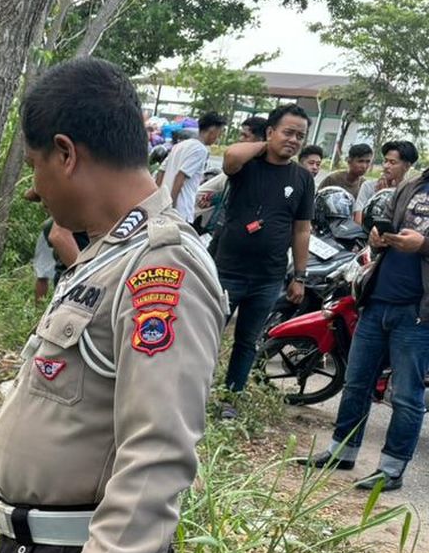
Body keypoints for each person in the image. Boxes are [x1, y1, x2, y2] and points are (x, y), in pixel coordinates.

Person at [0, 57, 224, 553]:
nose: (33, 187)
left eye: (34, 166)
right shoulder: (106, 257)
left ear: (67, 152)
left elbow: (158, 451)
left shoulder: (161, 268)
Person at [299, 164, 429, 491]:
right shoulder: (412, 186)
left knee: (406, 396)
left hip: (418, 314)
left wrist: (423, 245)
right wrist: (378, 237)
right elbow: (388, 227)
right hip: (378, 299)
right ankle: (342, 451)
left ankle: (391, 469)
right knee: (356, 383)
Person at [213, 104, 315, 410]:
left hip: (268, 278)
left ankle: (230, 399)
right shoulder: (247, 166)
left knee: (248, 342)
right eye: (288, 132)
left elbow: (301, 230)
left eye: (301, 135)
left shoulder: (302, 178)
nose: (295, 140)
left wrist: (299, 276)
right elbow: (230, 158)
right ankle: (191, 394)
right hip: (227, 271)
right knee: (207, 338)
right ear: (270, 132)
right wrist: (265, 145)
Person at [157, 111, 227, 223]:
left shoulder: (180, 145)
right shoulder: (200, 150)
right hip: (180, 211)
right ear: (212, 131)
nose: (218, 138)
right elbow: (181, 176)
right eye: (219, 134)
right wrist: (172, 208)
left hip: (163, 205)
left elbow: (161, 171)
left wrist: (158, 198)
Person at [354, 141, 420, 224]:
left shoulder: (411, 192)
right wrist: (377, 199)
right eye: (385, 161)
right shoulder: (369, 186)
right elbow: (358, 221)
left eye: (392, 162)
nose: (386, 166)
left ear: (407, 166)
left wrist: (386, 199)